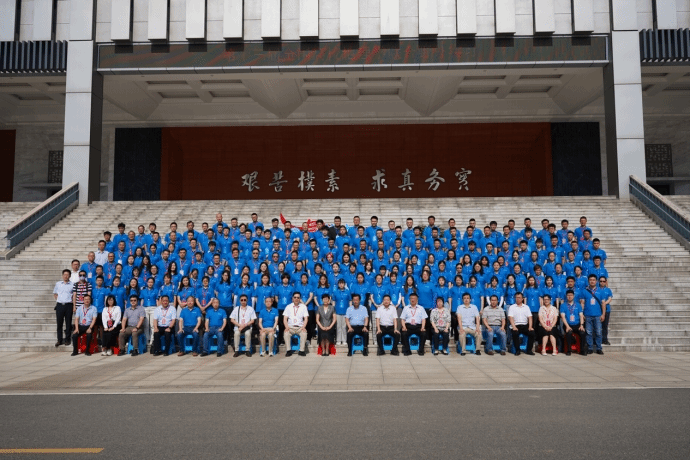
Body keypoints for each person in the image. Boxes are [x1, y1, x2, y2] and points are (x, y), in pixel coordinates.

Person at [581, 275, 605, 355]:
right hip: (587, 315)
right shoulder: (584, 291)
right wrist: (582, 313)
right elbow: (582, 303)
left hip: (598, 315)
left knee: (598, 332)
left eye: (593, 280)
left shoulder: (600, 291)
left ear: (596, 281)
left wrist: (603, 314)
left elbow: (603, 303)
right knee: (589, 332)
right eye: (590, 280)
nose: (592, 281)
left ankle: (599, 348)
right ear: (588, 281)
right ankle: (590, 348)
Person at [560, 290, 587, 356]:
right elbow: (563, 317)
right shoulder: (563, 305)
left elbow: (581, 315)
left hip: (577, 324)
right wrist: (567, 326)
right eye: (568, 295)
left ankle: (582, 350)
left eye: (571, 295)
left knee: (582, 333)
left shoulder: (578, 305)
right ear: (566, 296)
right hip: (568, 324)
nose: (570, 297)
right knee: (568, 333)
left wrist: (581, 325)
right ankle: (568, 350)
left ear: (573, 296)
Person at [283, 292, 309, 357]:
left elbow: (306, 318)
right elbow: (285, 318)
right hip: (290, 327)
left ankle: (301, 351)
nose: (296, 299)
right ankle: (288, 351)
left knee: (304, 333)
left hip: (300, 327)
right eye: (295, 297)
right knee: (286, 333)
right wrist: (286, 327)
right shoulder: (288, 306)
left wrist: (303, 327)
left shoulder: (303, 307)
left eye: (298, 298)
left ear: (300, 299)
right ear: (292, 298)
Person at [53, 269, 74, 347]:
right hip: (60, 305)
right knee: (59, 323)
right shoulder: (58, 284)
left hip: (69, 305)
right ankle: (59, 340)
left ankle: (67, 339)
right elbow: (55, 293)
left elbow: (74, 295)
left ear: (70, 276)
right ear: (62, 275)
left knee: (68, 323)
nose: (66, 276)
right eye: (64, 274)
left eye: (67, 275)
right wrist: (58, 299)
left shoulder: (72, 284)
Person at [597, 277, 613, 346]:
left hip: (606, 309)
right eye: (601, 281)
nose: (602, 282)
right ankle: (598, 339)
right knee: (598, 326)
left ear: (606, 282)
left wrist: (604, 303)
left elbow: (610, 298)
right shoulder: (597, 290)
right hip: (598, 309)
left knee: (605, 325)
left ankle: (605, 339)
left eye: (603, 281)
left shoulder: (608, 290)